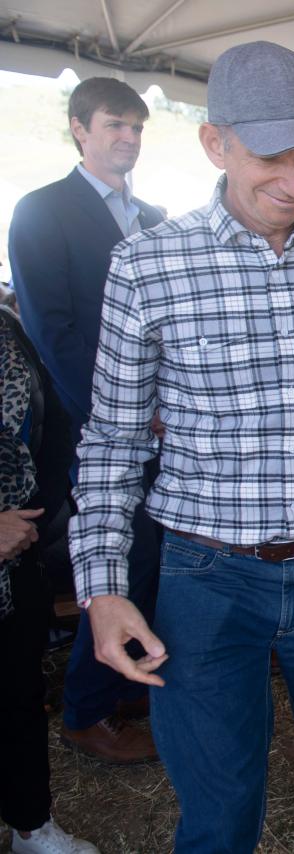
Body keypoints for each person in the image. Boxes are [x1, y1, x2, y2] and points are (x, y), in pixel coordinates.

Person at [68, 41, 294, 852]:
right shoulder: (147, 267)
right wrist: (102, 588)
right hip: (206, 579)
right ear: (215, 142)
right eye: (273, 156)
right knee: (221, 808)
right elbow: (113, 442)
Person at [7, 76, 164, 764]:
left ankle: (128, 680)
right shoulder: (43, 211)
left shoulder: (157, 218)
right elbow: (52, 332)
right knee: (115, 560)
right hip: (89, 426)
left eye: (136, 127)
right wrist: (124, 418)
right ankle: (84, 710)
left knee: (155, 555)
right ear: (78, 127)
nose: (127, 138)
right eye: (113, 125)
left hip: (166, 424)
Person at [1, 306, 99, 854]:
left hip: (21, 554)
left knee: (19, 694)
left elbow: (51, 422)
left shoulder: (5, 324)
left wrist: (34, 514)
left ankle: (30, 824)